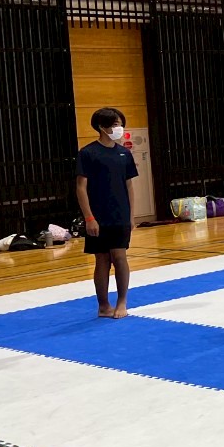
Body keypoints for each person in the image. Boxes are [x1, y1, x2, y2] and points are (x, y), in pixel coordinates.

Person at [76, 107, 138, 320]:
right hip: (98, 215)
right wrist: (89, 217)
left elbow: (129, 186)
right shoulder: (88, 153)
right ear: (102, 127)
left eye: (120, 124)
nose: (120, 128)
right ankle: (103, 305)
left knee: (119, 256)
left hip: (120, 214)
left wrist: (131, 216)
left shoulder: (124, 153)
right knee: (102, 259)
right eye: (115, 124)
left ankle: (122, 301)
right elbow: (81, 187)